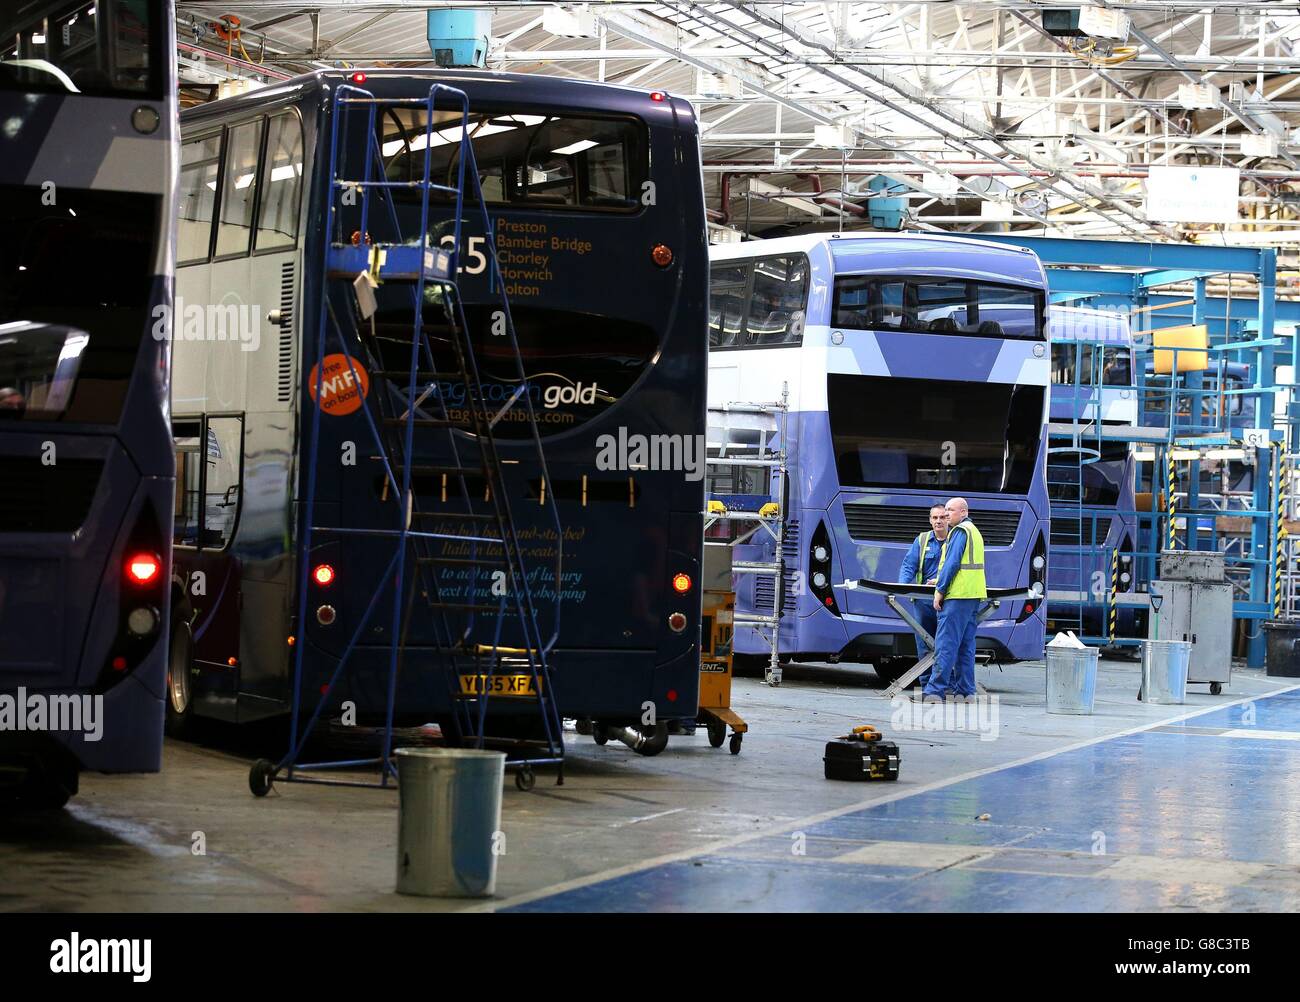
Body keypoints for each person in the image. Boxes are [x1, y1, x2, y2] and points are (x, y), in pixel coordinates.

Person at [926, 497, 987, 700]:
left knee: (946, 644)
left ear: (963, 512)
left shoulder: (960, 532)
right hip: (972, 595)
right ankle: (966, 691)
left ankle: (934, 691)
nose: (945, 514)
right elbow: (963, 565)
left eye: (950, 511)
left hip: (958, 595)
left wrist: (940, 589)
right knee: (965, 646)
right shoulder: (974, 531)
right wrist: (939, 578)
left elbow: (952, 563)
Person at [897, 503, 948, 690]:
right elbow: (908, 565)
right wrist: (902, 587)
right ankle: (927, 685)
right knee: (924, 644)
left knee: (945, 644)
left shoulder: (955, 540)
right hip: (923, 601)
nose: (938, 521)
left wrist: (941, 581)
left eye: (942, 517)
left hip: (947, 601)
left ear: (948, 519)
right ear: (930, 520)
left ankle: (944, 685)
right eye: (935, 518)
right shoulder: (922, 540)